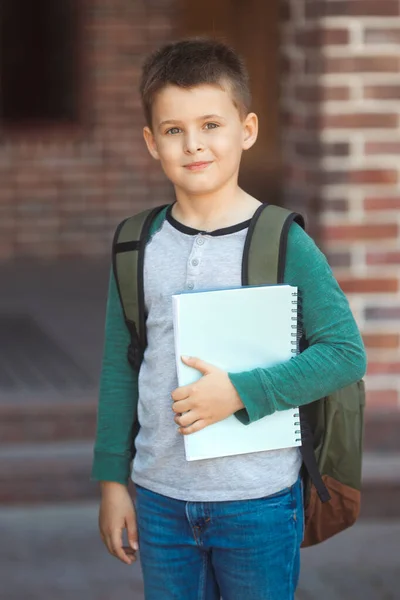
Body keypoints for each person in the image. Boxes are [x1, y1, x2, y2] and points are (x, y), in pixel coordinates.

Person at [91, 38, 367, 600]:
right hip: (160, 495)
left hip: (258, 502)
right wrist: (112, 482)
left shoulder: (284, 241)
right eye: (173, 130)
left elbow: (344, 354)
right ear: (151, 142)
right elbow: (121, 370)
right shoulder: (134, 245)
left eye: (211, 124)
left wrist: (240, 392)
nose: (194, 145)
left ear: (246, 130)